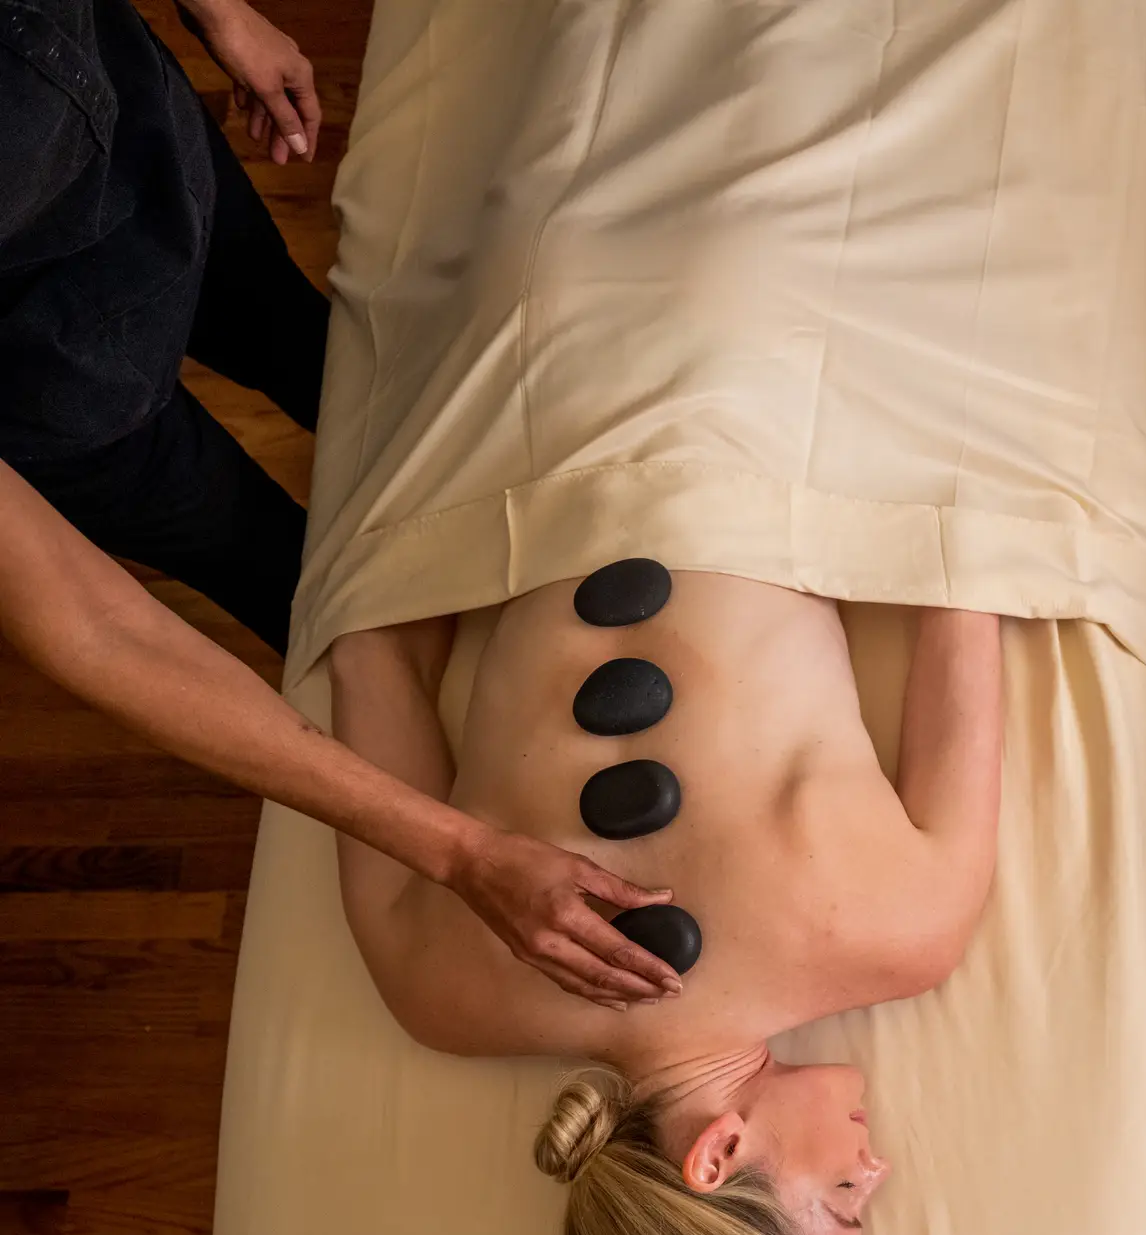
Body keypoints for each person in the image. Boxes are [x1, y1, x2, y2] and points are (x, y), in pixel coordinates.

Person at [0, 0, 684, 1006]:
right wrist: (458, 852)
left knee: (309, 350)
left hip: (131, 126)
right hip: (54, 391)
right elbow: (97, 626)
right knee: (269, 562)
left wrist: (220, 14)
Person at [328, 577, 1004, 1235]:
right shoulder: (433, 995)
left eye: (845, 1197)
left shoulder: (910, 930)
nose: (876, 1167)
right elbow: (371, 646)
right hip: (522, 488)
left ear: (717, 1156)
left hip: (740, 473)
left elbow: (964, 580)